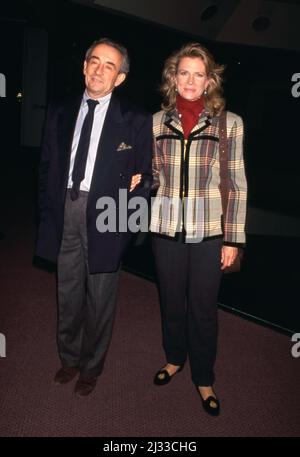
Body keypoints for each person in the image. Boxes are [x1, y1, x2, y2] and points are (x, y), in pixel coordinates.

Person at [35, 38, 152, 397]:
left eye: (109, 66)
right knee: (67, 291)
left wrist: (128, 227)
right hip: (66, 208)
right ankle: (69, 359)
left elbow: (148, 177)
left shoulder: (135, 119)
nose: (100, 70)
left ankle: (91, 366)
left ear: (120, 78)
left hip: (108, 214)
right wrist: (46, 212)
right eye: (94, 62)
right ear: (84, 66)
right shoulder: (60, 109)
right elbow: (46, 165)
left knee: (100, 298)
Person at [150, 42, 247, 416]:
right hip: (166, 228)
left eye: (198, 74)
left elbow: (237, 184)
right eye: (183, 73)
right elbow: (155, 174)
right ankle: (174, 357)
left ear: (209, 81)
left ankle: (203, 375)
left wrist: (233, 239)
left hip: (209, 231)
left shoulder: (229, 123)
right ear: (173, 78)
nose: (190, 81)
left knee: (204, 309)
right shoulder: (157, 122)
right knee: (171, 302)